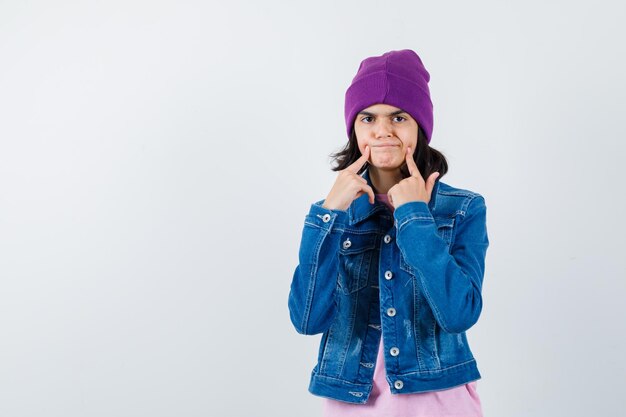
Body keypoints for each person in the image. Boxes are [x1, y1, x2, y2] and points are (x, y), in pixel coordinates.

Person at [287, 49, 489, 417]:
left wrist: (414, 216)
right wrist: (326, 215)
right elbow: (306, 320)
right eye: (368, 118)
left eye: (398, 116)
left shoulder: (462, 208)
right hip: (352, 399)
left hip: (438, 400)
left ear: (420, 128)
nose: (382, 131)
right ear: (354, 129)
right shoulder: (334, 212)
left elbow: (459, 313)